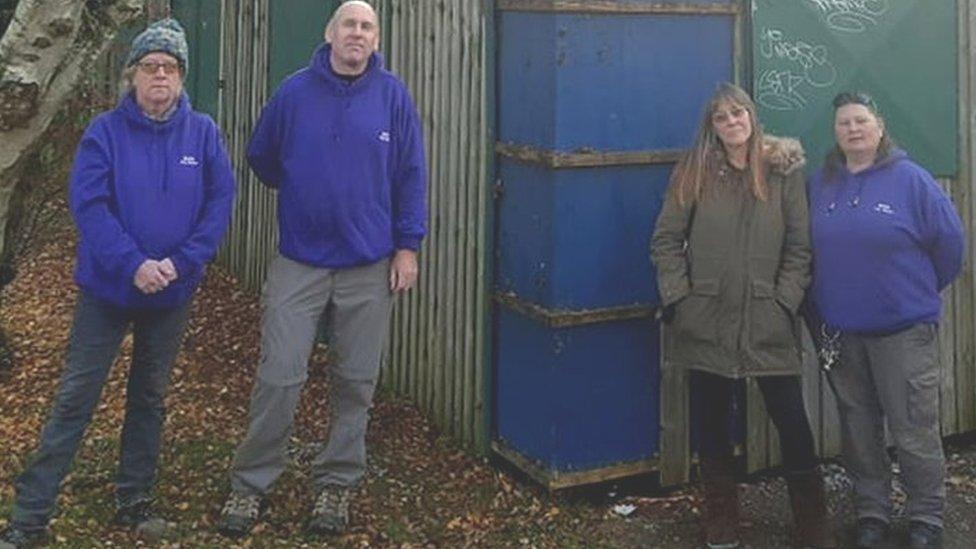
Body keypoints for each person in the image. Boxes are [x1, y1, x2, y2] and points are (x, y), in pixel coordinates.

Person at [0, 18, 236, 548]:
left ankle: (134, 502)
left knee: (149, 397)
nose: (159, 75)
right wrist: (133, 263)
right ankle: (30, 517)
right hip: (107, 291)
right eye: (150, 65)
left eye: (170, 67)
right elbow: (90, 205)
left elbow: (219, 203)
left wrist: (181, 263)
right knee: (75, 397)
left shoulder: (203, 133)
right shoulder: (103, 132)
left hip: (172, 292)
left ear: (182, 77)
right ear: (132, 75)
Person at [217, 0, 426, 538]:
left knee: (356, 380)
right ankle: (250, 484)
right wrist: (309, 191)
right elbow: (262, 157)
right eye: (349, 24)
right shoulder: (293, 93)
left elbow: (410, 175)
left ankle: (336, 484)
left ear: (376, 39)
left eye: (367, 26)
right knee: (279, 376)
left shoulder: (393, 97)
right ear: (329, 33)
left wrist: (408, 246)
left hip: (368, 266)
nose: (357, 33)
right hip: (300, 262)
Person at [651, 83, 834, 548]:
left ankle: (812, 525)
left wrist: (784, 300)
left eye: (738, 114)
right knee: (711, 423)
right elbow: (667, 240)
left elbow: (799, 247)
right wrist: (679, 298)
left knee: (792, 421)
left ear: (753, 117)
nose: (732, 123)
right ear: (711, 126)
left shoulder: (782, 172)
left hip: (766, 317)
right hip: (705, 317)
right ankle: (721, 523)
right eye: (721, 118)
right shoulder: (694, 171)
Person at [806, 92, 963, 549]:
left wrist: (912, 292)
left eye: (861, 121)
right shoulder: (822, 184)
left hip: (903, 333)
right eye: (843, 123)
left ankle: (925, 520)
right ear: (835, 132)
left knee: (913, 430)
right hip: (842, 333)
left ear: (879, 126)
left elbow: (949, 246)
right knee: (859, 431)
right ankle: (871, 514)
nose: (853, 129)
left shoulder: (911, 181)